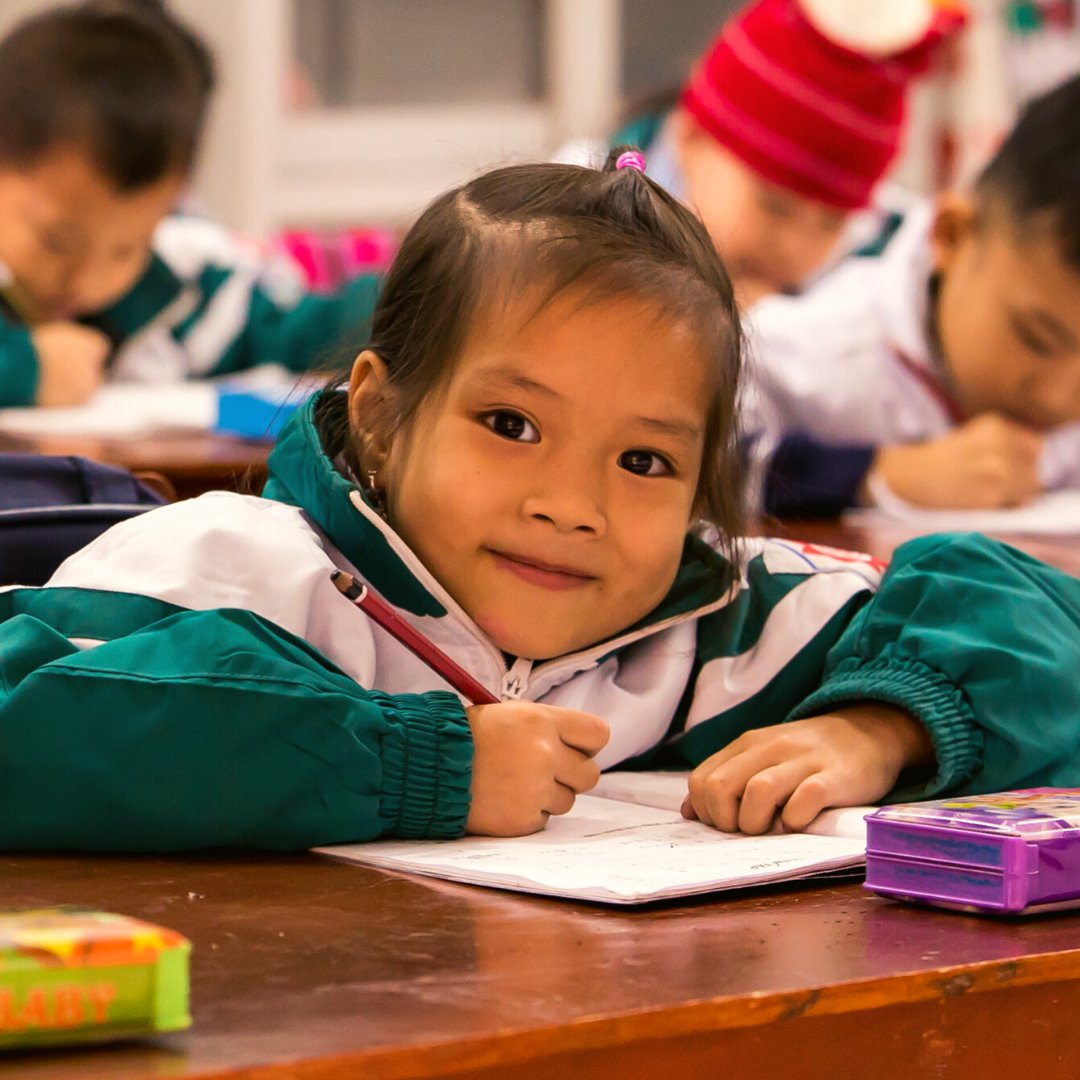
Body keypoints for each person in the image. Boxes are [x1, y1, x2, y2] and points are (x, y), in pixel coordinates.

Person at [2, 150, 1080, 852]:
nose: (573, 506)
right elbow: (30, 719)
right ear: (379, 416)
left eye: (644, 462)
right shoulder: (236, 574)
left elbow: (1025, 616)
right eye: (511, 425)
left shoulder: (720, 623)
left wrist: (882, 730)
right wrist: (420, 763)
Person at [0, 1, 378, 408]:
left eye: (126, 249)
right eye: (56, 242)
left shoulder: (183, 287)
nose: (86, 282)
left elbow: (308, 331)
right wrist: (27, 370)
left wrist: (410, 299)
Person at [748, 71, 1080, 514]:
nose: (1058, 397)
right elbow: (701, 467)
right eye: (1036, 339)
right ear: (951, 236)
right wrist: (872, 475)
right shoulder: (796, 358)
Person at [582, 0, 966, 304]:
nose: (795, 246)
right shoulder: (575, 224)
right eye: (774, 208)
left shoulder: (875, 282)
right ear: (690, 137)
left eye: (831, 225)